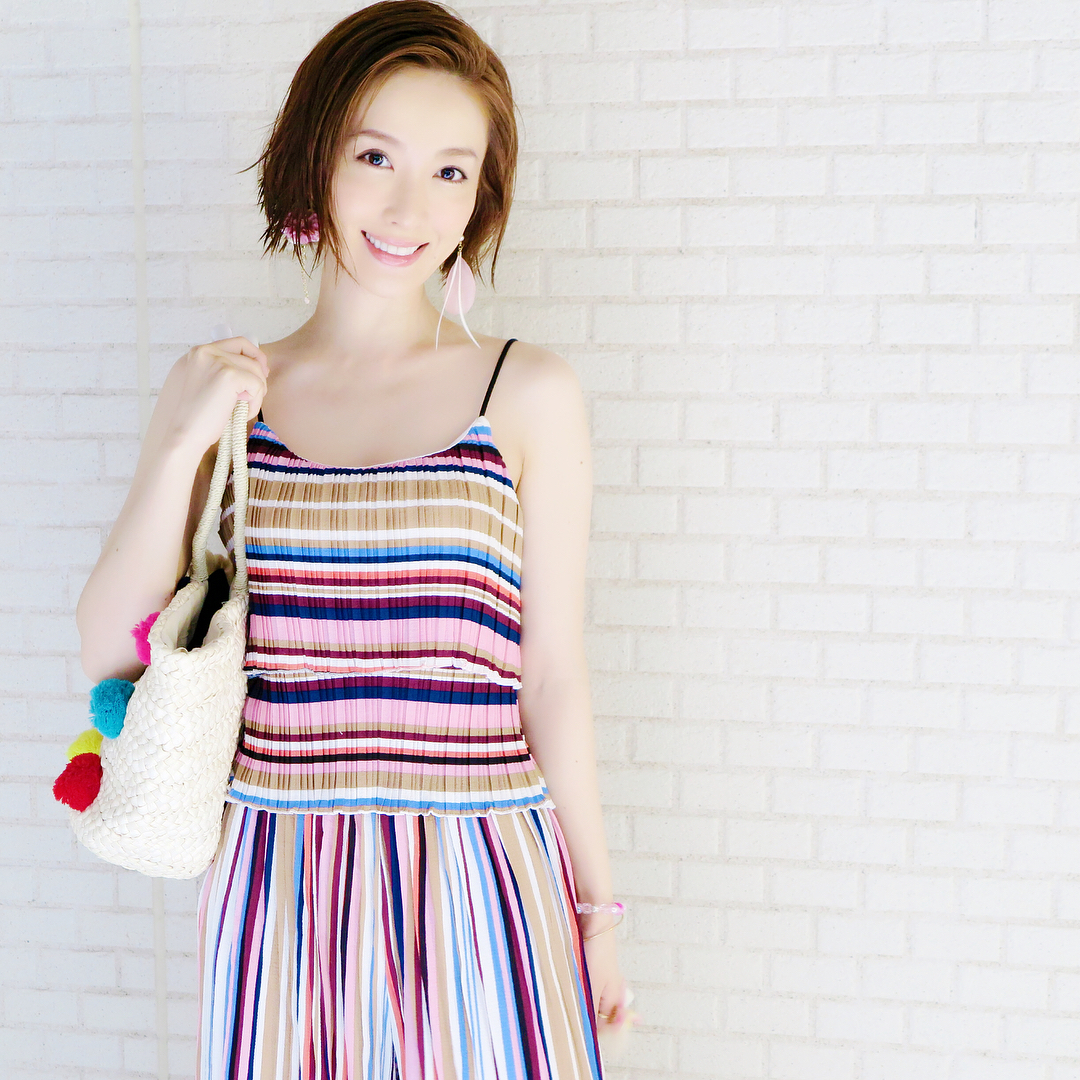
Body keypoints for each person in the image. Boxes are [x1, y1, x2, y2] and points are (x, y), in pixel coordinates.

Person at [76, 2, 631, 1076]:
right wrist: (182, 439)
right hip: (279, 879)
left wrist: (599, 912)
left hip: (485, 865)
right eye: (376, 156)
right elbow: (110, 648)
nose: (408, 206)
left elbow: (553, 676)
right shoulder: (228, 392)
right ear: (315, 157)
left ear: (480, 198)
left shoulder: (526, 393)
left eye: (450, 172)